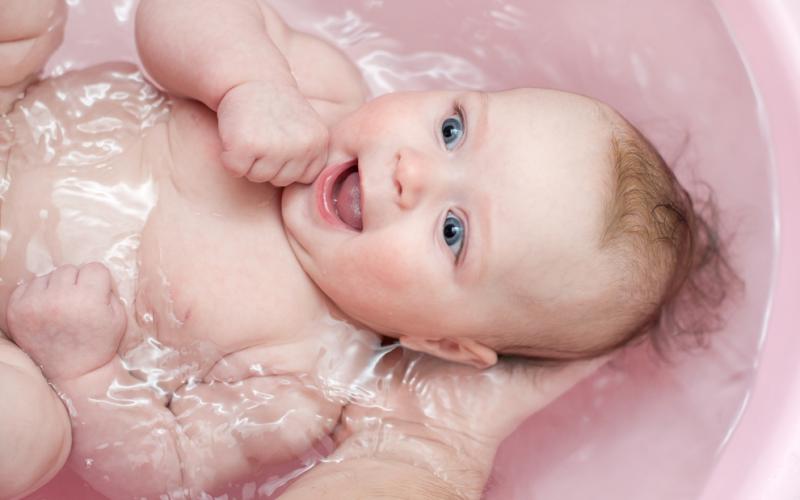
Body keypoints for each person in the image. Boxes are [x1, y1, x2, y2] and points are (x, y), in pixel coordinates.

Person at [0, 0, 734, 498]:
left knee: (26, 433)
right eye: (452, 130)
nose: (413, 171)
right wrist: (244, 82)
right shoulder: (317, 92)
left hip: (13, 337)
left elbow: (162, 464)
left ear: (442, 341)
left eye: (454, 232)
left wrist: (82, 367)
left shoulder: (304, 379)